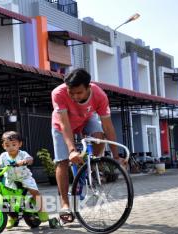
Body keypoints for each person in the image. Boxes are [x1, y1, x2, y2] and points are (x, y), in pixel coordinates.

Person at [51, 68, 124, 223]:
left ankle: (83, 173)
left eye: (79, 93)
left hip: (85, 120)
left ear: (88, 88)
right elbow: (64, 124)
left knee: (98, 137)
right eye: (72, 93)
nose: (75, 96)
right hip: (61, 126)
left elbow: (108, 126)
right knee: (62, 161)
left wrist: (116, 156)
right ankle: (65, 204)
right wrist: (71, 150)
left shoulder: (99, 95)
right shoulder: (58, 93)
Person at [0, 131, 49, 229]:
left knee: (34, 191)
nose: (11, 147)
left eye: (14, 144)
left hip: (24, 177)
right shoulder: (3, 156)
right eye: (7, 145)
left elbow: (30, 159)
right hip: (11, 179)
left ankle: (41, 209)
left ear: (19, 144)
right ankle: (12, 217)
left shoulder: (22, 154)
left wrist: (25, 161)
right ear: (3, 146)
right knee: (8, 198)